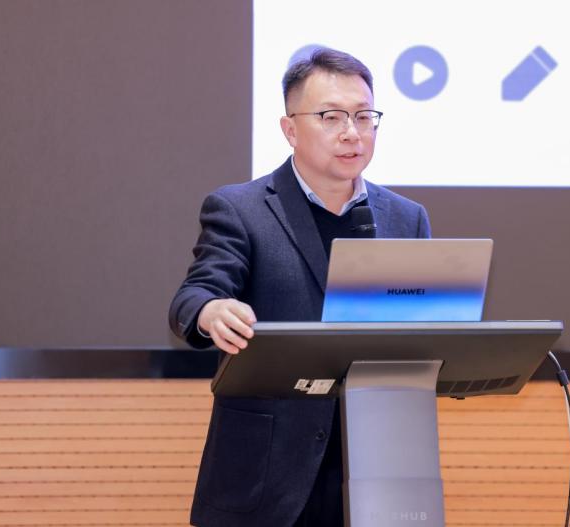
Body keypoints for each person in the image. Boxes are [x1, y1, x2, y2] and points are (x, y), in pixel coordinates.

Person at [169, 47, 431, 527]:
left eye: (364, 116)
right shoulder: (240, 209)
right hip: (267, 475)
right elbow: (196, 293)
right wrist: (211, 311)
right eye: (331, 117)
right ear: (290, 129)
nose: (352, 132)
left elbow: (421, 332)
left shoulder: (406, 219)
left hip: (376, 468)